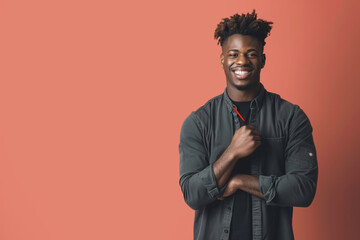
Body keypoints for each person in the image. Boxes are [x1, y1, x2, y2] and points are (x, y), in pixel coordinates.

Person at [178, 10, 318, 240]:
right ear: (223, 60)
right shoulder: (198, 122)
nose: (242, 61)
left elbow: (303, 190)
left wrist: (240, 181)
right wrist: (232, 153)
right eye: (233, 54)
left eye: (251, 53)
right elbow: (193, 195)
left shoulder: (291, 117)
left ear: (263, 59)